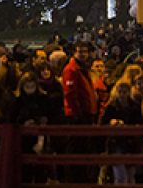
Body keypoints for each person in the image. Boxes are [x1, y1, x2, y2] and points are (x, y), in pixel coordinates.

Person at [62, 41, 98, 183]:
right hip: (78, 116)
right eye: (80, 51)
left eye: (85, 51)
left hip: (84, 114)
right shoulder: (72, 70)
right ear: (74, 52)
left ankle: (79, 177)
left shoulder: (81, 68)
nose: (83, 54)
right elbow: (70, 94)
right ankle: (75, 178)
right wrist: (78, 114)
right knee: (76, 148)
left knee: (82, 148)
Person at [8, 72, 52, 184]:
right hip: (24, 139)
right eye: (27, 87)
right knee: (25, 169)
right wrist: (22, 123)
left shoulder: (43, 99)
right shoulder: (18, 101)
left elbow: (50, 113)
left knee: (40, 169)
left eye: (32, 87)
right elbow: (11, 119)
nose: (30, 90)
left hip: (39, 136)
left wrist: (44, 119)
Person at [101, 82, 143, 185]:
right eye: (119, 92)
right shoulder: (111, 107)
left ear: (129, 93)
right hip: (117, 143)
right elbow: (102, 124)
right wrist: (111, 123)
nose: (122, 95)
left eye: (124, 92)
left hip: (131, 144)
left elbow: (140, 123)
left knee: (130, 175)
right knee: (120, 176)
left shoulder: (135, 107)